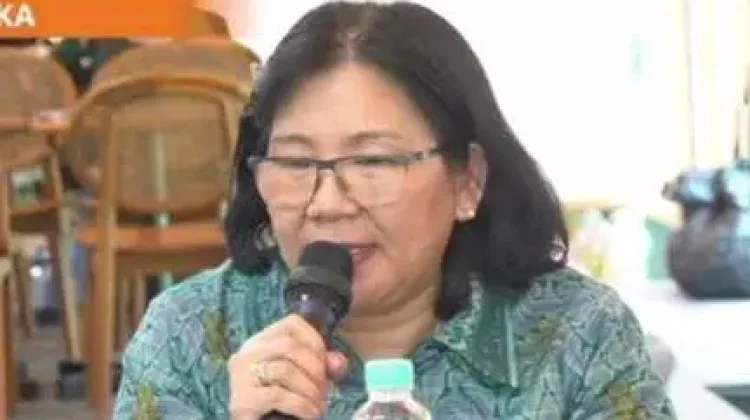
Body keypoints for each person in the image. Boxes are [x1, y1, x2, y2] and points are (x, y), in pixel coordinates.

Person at [113, 2, 676, 419]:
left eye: (373, 161)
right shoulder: (189, 336)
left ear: (467, 180)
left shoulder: (580, 334)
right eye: (296, 162)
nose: (327, 204)